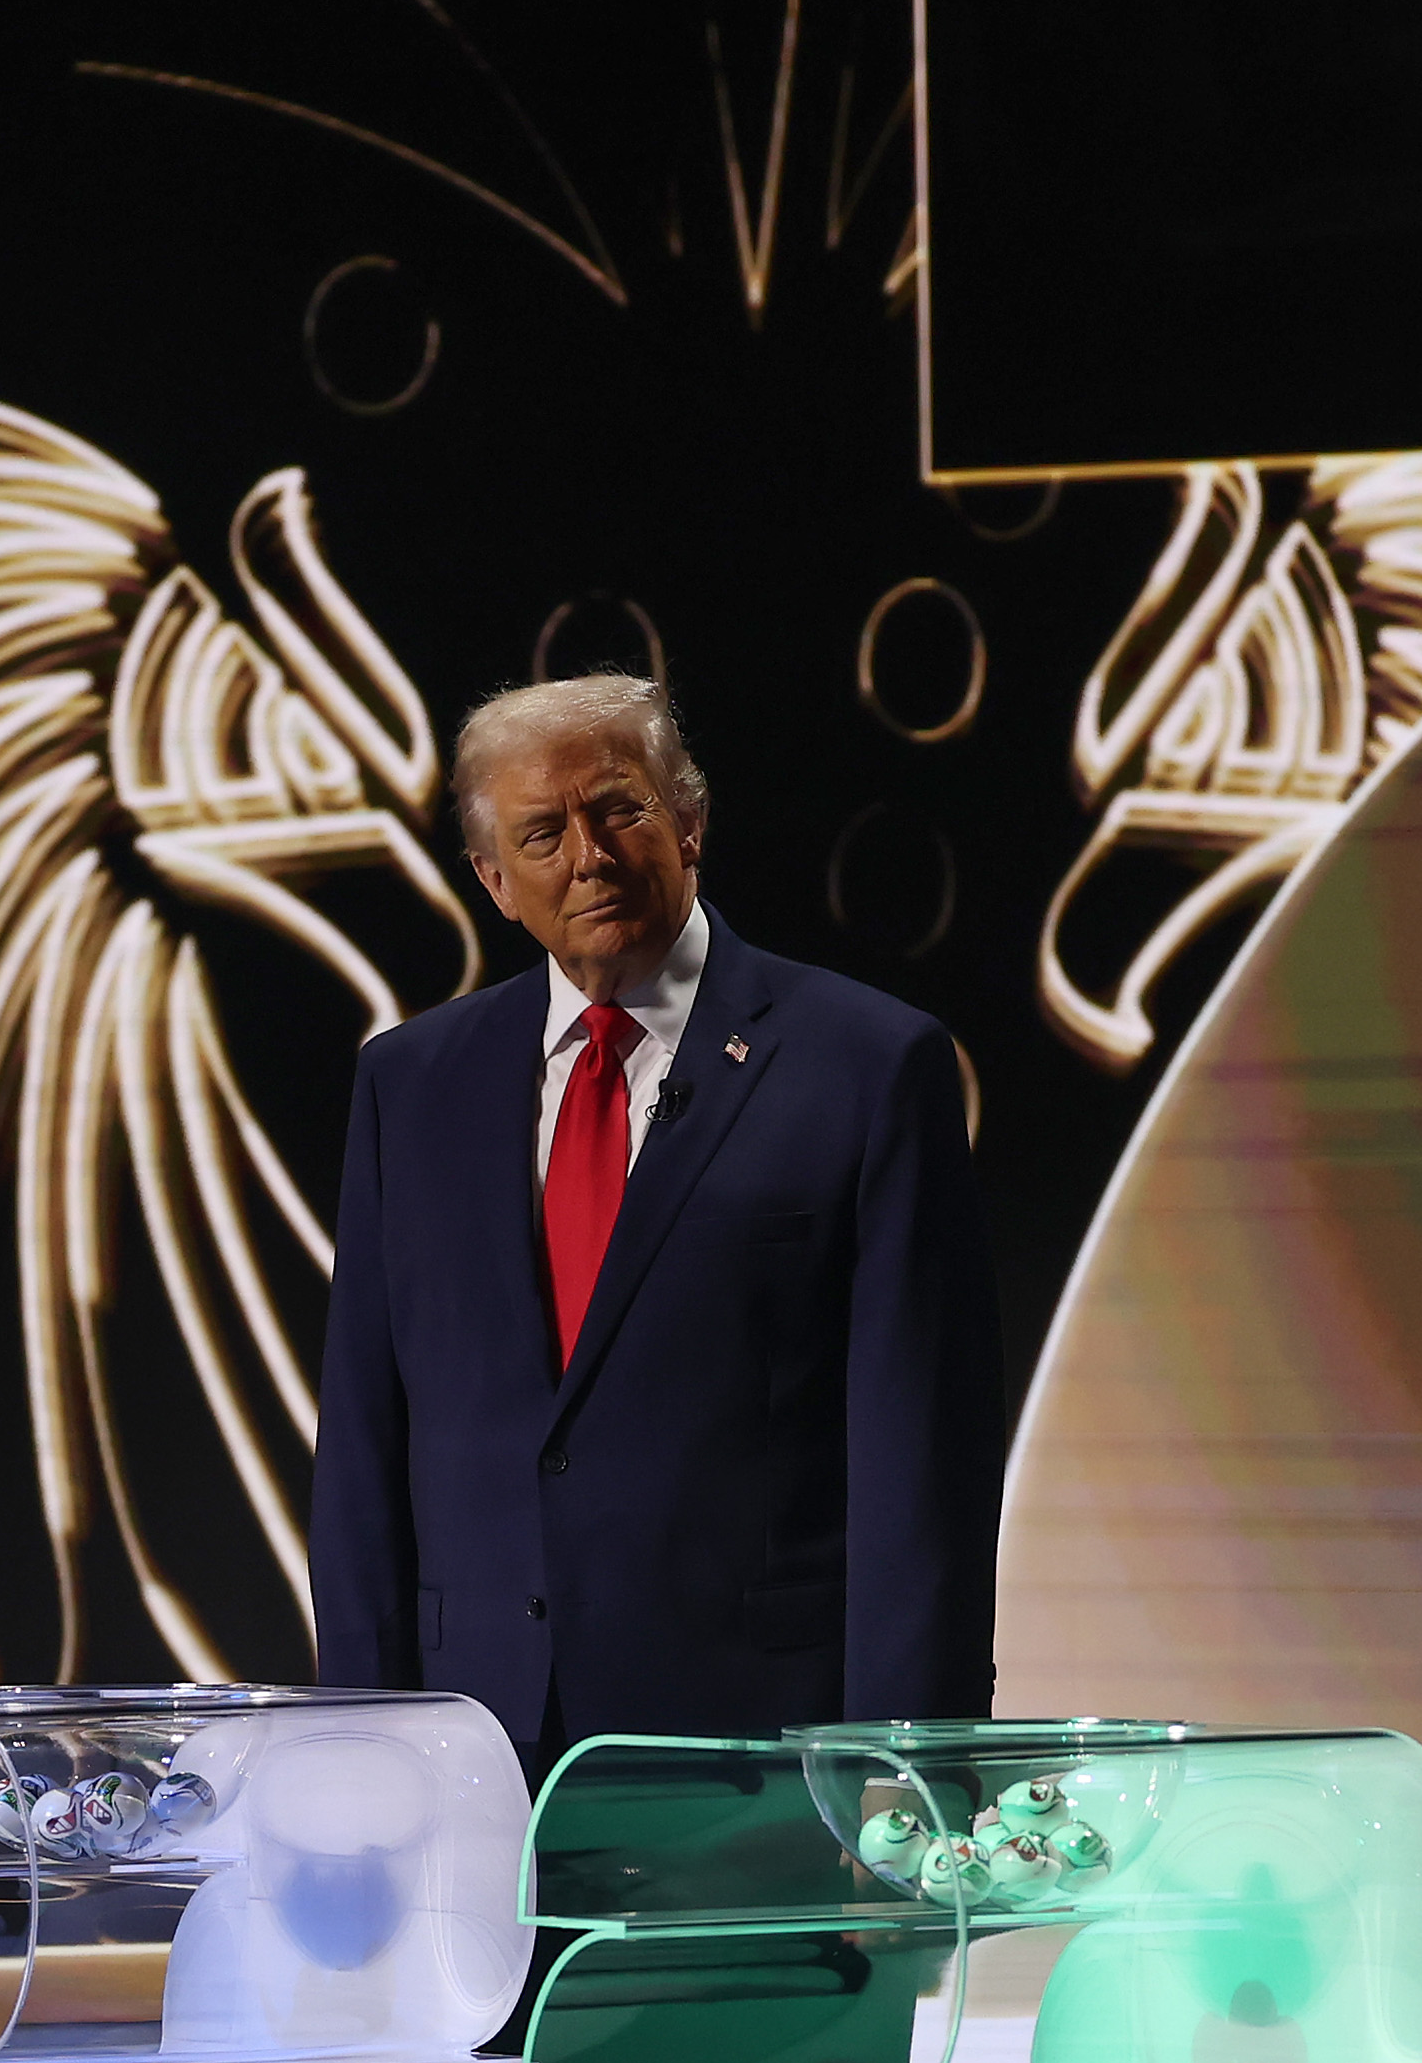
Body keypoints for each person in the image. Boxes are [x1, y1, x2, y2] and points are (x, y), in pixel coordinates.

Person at [311, 673, 1000, 1749]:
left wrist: (904, 1761)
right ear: (494, 881)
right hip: (472, 1740)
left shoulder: (865, 1066)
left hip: (758, 1742)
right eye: (541, 834)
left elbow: (923, 1459)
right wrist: (357, 1747)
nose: (587, 856)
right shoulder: (410, 1086)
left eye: (617, 810)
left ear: (688, 822)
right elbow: (362, 1445)